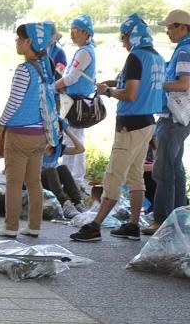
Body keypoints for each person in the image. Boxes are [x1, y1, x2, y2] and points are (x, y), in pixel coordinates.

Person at [70, 13, 165, 242]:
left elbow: (131, 94)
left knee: (113, 175)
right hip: (147, 123)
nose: (123, 43)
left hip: (130, 126)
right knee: (135, 176)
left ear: (130, 36)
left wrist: (109, 92)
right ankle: (133, 224)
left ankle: (95, 226)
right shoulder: (157, 57)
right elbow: (142, 86)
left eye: (123, 38)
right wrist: (115, 83)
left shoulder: (135, 57)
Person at [0, 22, 58, 238]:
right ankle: (34, 226)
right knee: (34, 181)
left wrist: (1, 123)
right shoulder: (46, 67)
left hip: (20, 133)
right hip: (41, 133)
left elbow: (14, 102)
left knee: (13, 181)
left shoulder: (25, 69)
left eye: (18, 38)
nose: (16, 42)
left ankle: (10, 226)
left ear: (28, 41)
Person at [142, 9, 190, 235]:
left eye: (171, 27)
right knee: (175, 168)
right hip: (182, 118)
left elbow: (182, 84)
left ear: (183, 27)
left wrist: (156, 83)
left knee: (163, 170)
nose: (168, 31)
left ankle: (162, 220)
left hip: (173, 118)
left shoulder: (183, 52)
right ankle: (181, 217)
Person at [54, 15, 96, 187]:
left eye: (76, 30)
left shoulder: (84, 52)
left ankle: (72, 180)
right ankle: (71, 178)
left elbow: (71, 78)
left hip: (76, 102)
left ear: (86, 33)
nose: (72, 33)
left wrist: (51, 87)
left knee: (72, 139)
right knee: (73, 138)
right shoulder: (85, 50)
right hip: (74, 100)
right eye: (71, 29)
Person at [41, 117, 87, 219]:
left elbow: (80, 149)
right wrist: (47, 143)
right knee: (51, 170)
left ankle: (78, 202)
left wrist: (67, 131)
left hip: (52, 185)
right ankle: (64, 204)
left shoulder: (58, 148)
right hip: (36, 182)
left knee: (62, 168)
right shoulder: (39, 146)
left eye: (58, 132)